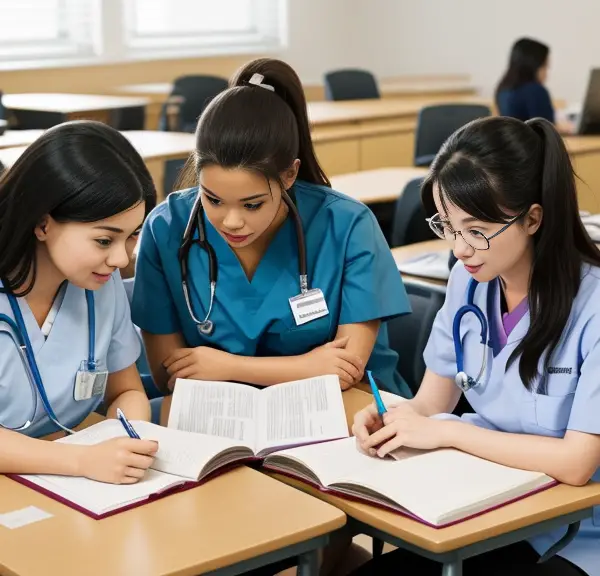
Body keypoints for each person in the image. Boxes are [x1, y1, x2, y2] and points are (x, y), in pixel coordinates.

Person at [352, 116, 600, 576]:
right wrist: (394, 416)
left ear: (532, 218)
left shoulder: (594, 306)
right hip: (485, 504)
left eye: (476, 229)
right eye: (446, 226)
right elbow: (432, 401)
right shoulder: (468, 284)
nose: (460, 248)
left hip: (572, 531)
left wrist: (450, 432)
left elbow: (576, 463)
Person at [131, 57, 412, 416]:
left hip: (342, 411)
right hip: (217, 414)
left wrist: (227, 367)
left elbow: (346, 369)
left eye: (252, 204)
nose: (231, 222)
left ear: (290, 175)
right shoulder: (167, 228)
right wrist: (307, 366)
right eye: (212, 199)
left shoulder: (347, 225)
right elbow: (169, 372)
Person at [0, 121, 159, 485]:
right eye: (105, 240)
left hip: (70, 483)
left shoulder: (101, 283)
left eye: (132, 236)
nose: (122, 258)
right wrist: (81, 461)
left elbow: (127, 389)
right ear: (43, 224)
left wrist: (132, 437)